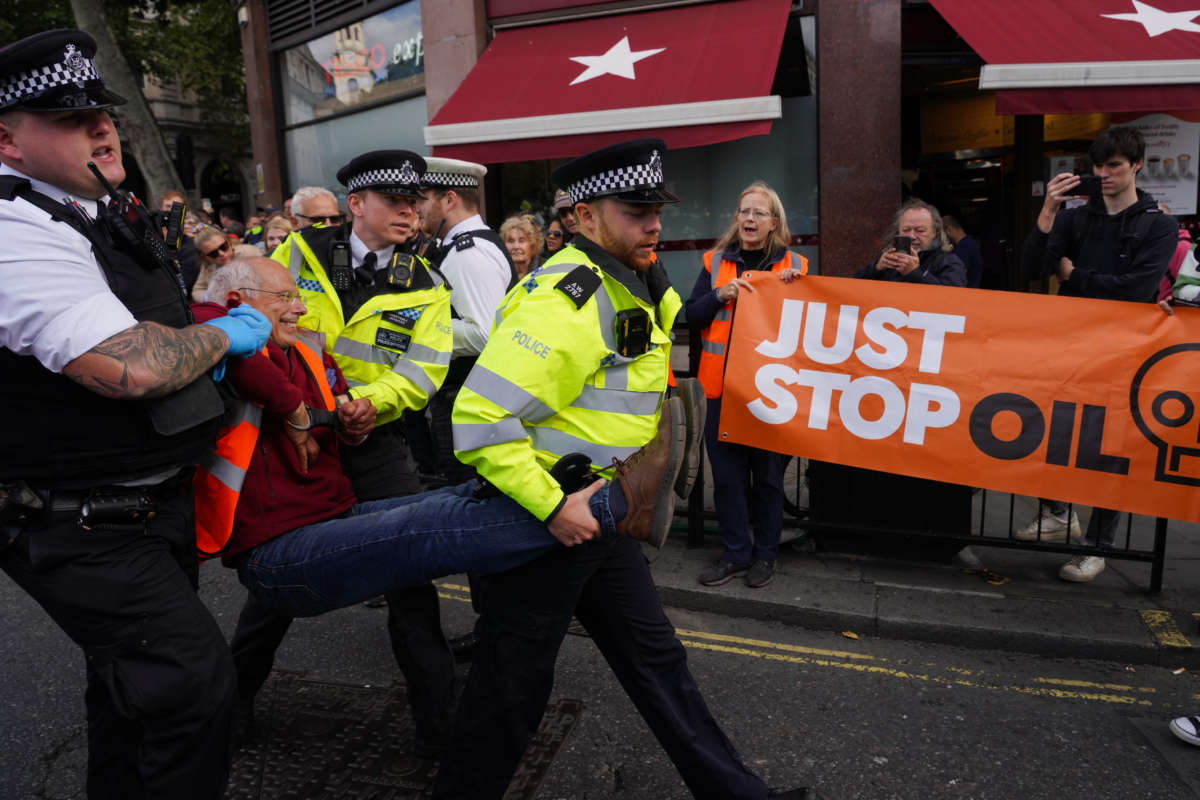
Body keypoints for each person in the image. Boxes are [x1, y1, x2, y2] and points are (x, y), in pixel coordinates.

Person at [432, 139, 815, 800]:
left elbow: (677, 324)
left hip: (598, 516)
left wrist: (740, 287)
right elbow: (478, 420)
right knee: (508, 694)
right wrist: (553, 509)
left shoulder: (632, 276)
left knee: (657, 663)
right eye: (636, 210)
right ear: (582, 217)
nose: (654, 223)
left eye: (655, 209)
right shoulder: (566, 297)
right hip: (550, 527)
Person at [0, 29, 272, 798]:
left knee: (131, 695)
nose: (101, 126)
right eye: (69, 116)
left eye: (102, 110)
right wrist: (225, 333)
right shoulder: (14, 227)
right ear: (6, 139)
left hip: (144, 505)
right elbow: (127, 366)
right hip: (77, 521)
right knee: (193, 689)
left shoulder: (90, 208)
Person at [1017, 125, 1177, 582]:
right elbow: (1033, 268)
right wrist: (1047, 211)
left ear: (1137, 166)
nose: (1103, 175)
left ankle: (1098, 545)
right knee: (1055, 429)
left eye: (1114, 166)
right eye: (1098, 167)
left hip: (1125, 348)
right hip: (1071, 342)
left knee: (1113, 449)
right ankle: (1057, 511)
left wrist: (1075, 275)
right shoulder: (1074, 217)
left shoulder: (1158, 224)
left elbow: (1136, 290)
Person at [687, 181, 808, 589]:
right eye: (744, 212)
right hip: (721, 390)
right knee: (727, 479)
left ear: (774, 222)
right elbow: (692, 316)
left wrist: (798, 293)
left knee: (769, 479)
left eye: (758, 213)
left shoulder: (797, 267)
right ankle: (736, 554)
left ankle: (765, 556)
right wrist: (720, 293)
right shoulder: (715, 263)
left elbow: (813, 327)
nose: (749, 219)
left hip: (770, 392)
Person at [419, 156, 516, 485]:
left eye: (422, 197)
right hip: (466, 398)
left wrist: (417, 328)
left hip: (468, 401)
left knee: (468, 496)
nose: (415, 208)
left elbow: (483, 335)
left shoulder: (467, 253)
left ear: (449, 198)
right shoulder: (456, 246)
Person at [854, 199, 965, 286]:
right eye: (906, 230)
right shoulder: (890, 261)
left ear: (934, 232)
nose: (911, 236)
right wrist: (876, 269)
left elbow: (952, 299)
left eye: (920, 231)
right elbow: (852, 289)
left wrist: (915, 273)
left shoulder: (949, 262)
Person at [192, 224, 234, 302]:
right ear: (205, 256)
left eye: (223, 247)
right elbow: (197, 291)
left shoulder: (247, 254)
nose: (221, 253)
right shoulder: (208, 265)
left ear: (228, 241)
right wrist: (210, 297)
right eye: (213, 253)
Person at [943, 213, 983, 288]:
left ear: (948, 230)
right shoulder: (969, 243)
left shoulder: (964, 247)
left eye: (942, 233)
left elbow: (957, 277)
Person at [500, 211, 544, 279]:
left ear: (533, 244)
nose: (516, 246)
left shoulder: (544, 270)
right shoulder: (499, 271)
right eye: (511, 241)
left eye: (521, 241)